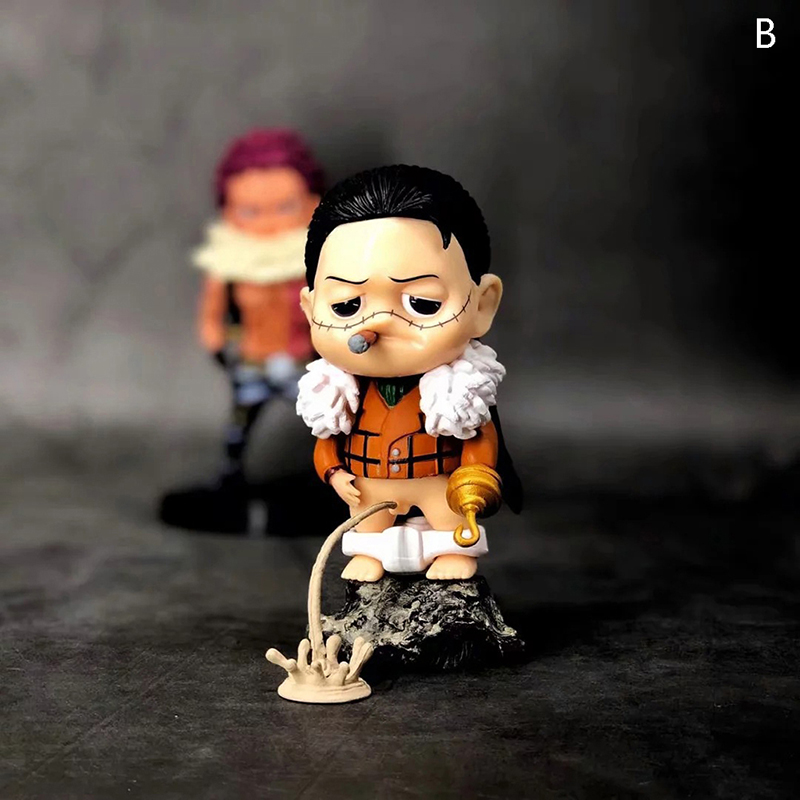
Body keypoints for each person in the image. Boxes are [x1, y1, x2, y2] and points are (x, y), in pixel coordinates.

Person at [296, 165, 522, 579]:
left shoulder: (456, 393)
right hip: (368, 480)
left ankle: (453, 553)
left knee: (448, 518)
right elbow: (327, 442)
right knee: (366, 523)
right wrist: (334, 472)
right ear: (311, 311)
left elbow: (478, 436)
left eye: (423, 303)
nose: (379, 324)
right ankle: (369, 555)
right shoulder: (338, 392)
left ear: (482, 304)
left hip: (437, 476)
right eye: (347, 306)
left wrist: (473, 475)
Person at [159, 129, 324, 533]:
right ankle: (230, 475)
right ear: (230, 210)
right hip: (253, 360)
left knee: (327, 423)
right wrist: (216, 341)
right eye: (251, 211)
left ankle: (339, 476)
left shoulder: (319, 260)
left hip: (306, 363)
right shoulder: (230, 263)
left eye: (286, 207)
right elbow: (212, 312)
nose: (268, 222)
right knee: (240, 426)